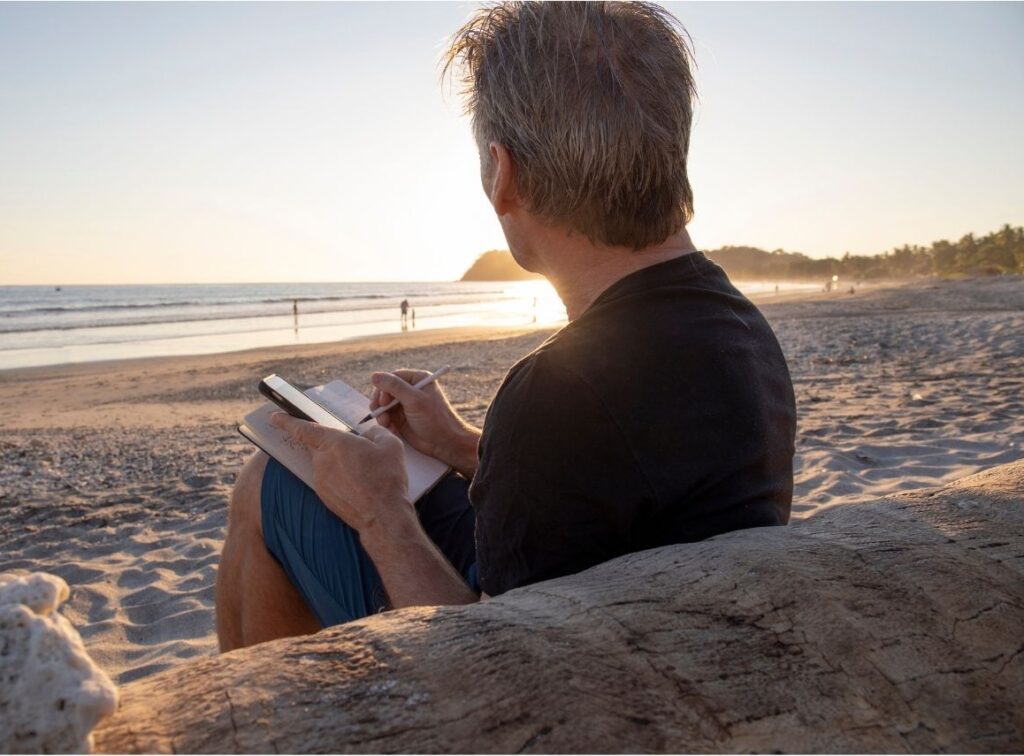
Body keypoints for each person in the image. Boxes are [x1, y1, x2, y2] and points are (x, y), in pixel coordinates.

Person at [215, 1, 796, 650]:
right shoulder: (740, 328)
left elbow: (491, 658)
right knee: (274, 478)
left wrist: (382, 513)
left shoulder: (558, 394)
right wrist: (461, 444)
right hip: (648, 612)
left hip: (580, 672)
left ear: (503, 174)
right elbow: (628, 483)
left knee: (266, 484)